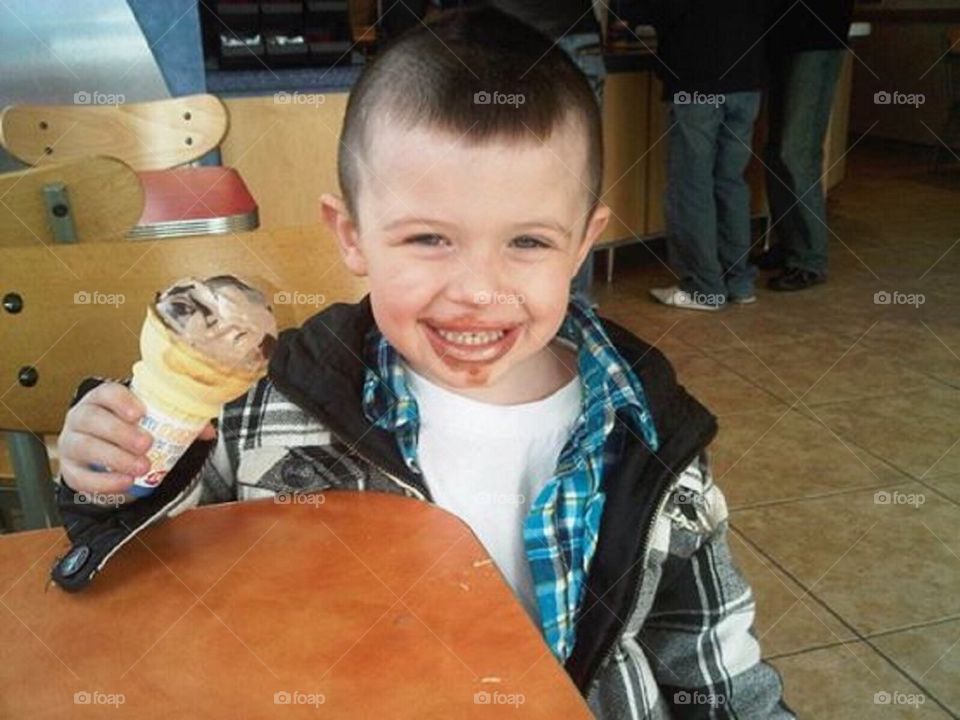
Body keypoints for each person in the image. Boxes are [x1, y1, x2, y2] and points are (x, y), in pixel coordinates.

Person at [51, 9, 793, 718]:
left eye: (528, 242)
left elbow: (709, 654)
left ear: (581, 244)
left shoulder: (650, 432)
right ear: (351, 236)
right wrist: (109, 464)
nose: (476, 291)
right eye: (429, 239)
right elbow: (141, 543)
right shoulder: (273, 397)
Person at [632, 0, 768, 311]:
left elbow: (646, 11)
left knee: (691, 185)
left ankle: (703, 287)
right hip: (747, 78)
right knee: (731, 182)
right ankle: (739, 282)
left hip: (698, 75)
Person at [761, 0, 856, 291]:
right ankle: (790, 243)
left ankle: (810, 260)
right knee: (776, 151)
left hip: (816, 38)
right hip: (783, 40)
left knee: (796, 152)